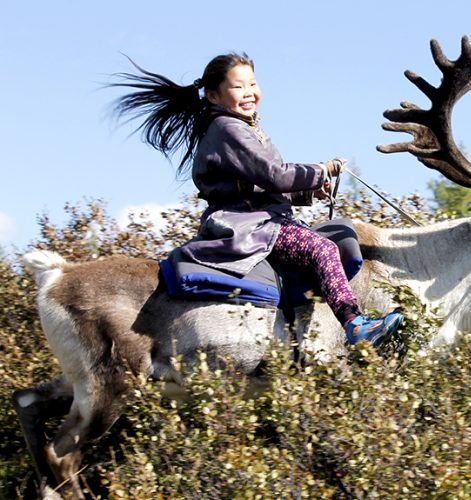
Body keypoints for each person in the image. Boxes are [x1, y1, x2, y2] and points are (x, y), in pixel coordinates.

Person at [111, 52, 402, 346]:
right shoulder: (228, 129)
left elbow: (260, 185)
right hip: (248, 225)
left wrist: (307, 192)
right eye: (238, 87)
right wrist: (321, 170)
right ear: (213, 95)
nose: (248, 92)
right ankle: (354, 324)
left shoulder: (243, 126)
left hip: (263, 218)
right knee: (324, 249)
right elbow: (274, 175)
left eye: (252, 83)